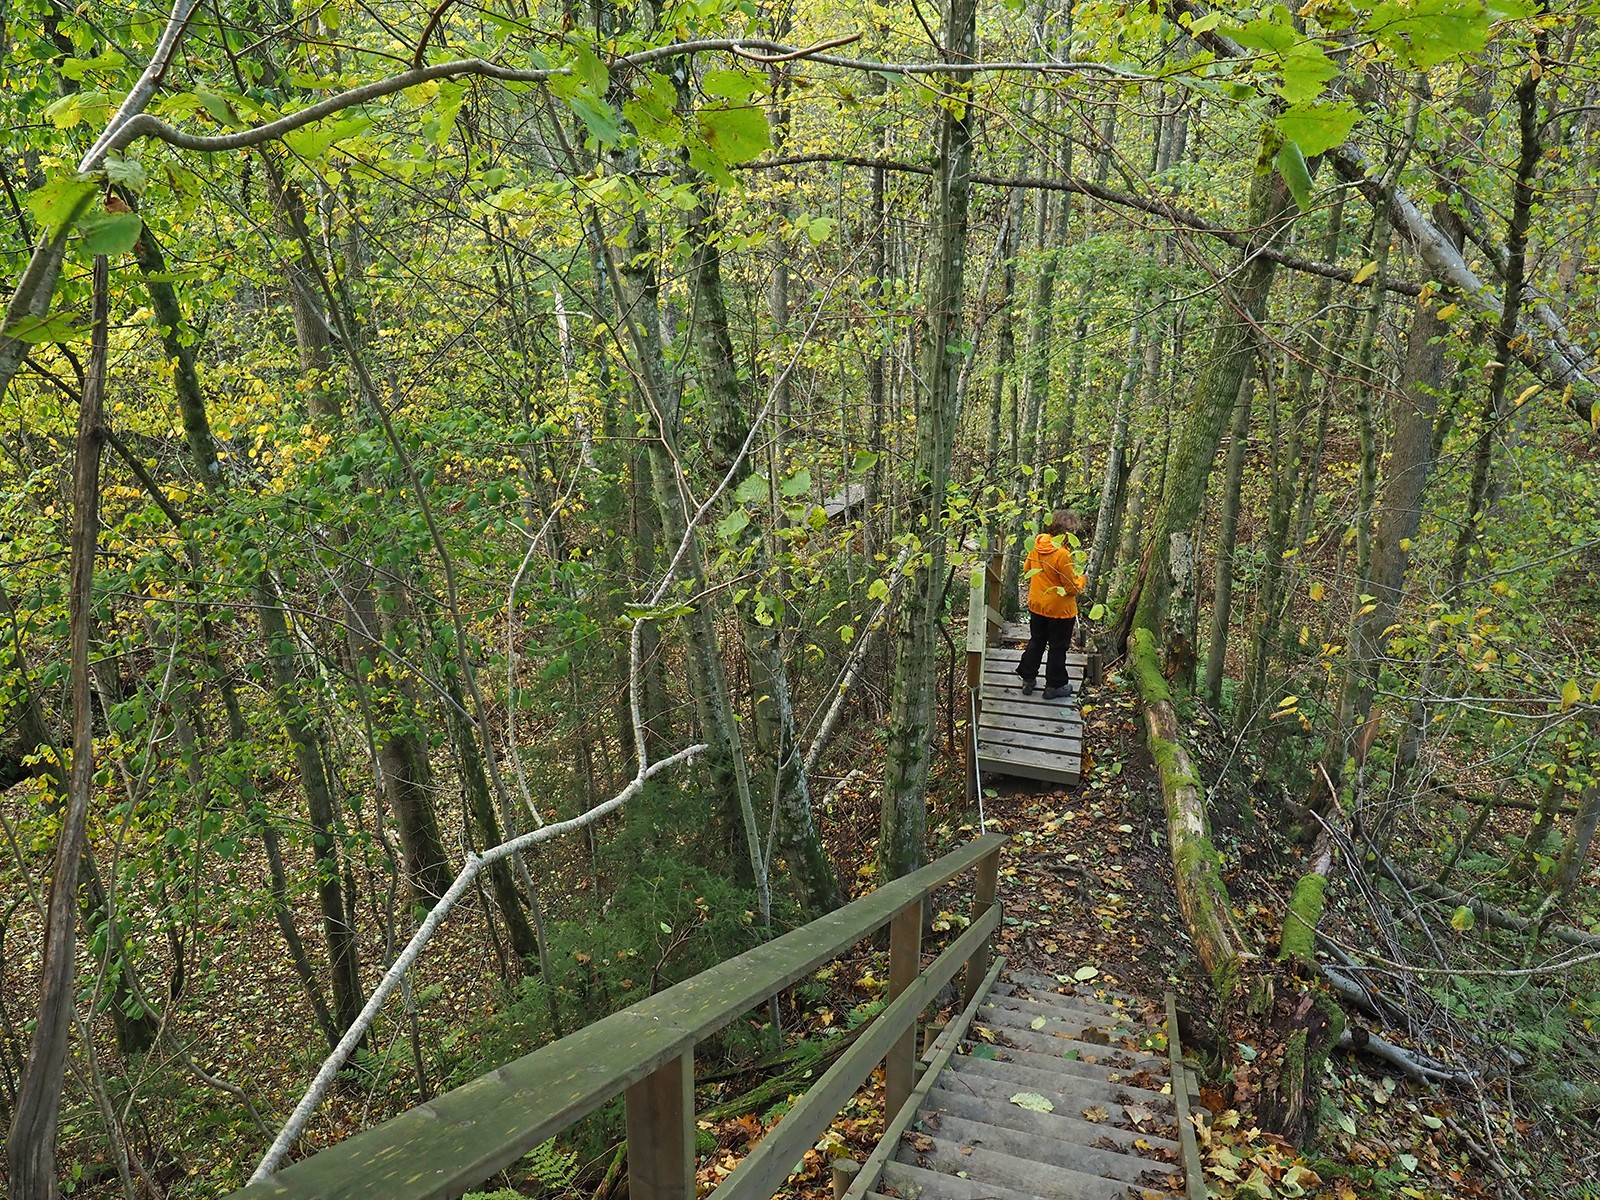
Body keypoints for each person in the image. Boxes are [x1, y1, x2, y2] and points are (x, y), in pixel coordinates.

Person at [1017, 509, 1086, 700]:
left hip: (1037, 606)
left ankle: (1028, 679)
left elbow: (1026, 568)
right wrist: (1082, 579)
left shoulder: (1036, 544)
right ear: (1067, 533)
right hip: (1060, 611)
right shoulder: (1062, 554)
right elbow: (1071, 588)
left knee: (1037, 641)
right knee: (1057, 647)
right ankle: (1054, 685)